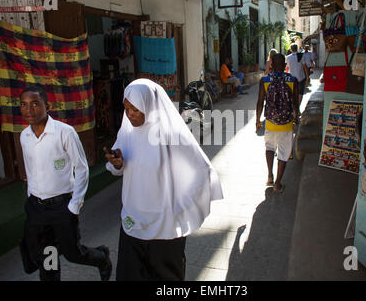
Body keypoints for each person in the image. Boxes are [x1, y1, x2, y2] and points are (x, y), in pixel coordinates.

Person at [105, 79, 223, 281]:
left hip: (165, 227)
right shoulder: (127, 133)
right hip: (133, 221)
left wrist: (181, 207)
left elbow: (200, 172)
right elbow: (118, 168)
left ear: (149, 106)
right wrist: (117, 163)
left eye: (135, 109)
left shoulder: (171, 136)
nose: (130, 114)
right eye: (127, 108)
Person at [19, 86, 112, 281]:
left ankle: (101, 257)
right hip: (37, 208)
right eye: (24, 105)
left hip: (62, 206)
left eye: (35, 104)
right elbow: (30, 170)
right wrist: (31, 198)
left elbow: (82, 168)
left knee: (73, 252)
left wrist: (74, 206)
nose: (29, 110)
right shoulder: (24, 136)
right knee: (47, 254)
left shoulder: (64, 132)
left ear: (48, 106)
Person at [256, 53, 299, 193]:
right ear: (285, 66)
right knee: (284, 153)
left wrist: (258, 120)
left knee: (269, 148)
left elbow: (260, 102)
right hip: (286, 124)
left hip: (270, 122)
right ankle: (278, 184)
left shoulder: (265, 80)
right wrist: (296, 117)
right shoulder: (293, 80)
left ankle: (269, 176)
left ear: (272, 65)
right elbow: (295, 104)